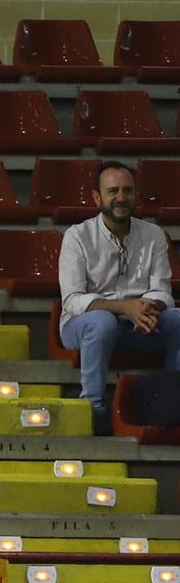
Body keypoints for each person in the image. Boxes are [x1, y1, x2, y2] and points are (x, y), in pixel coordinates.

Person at [58, 160, 180, 422]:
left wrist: (146, 307)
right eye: (113, 191)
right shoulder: (77, 236)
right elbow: (72, 301)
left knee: (179, 319)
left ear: (136, 194)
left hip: (137, 324)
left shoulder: (153, 234)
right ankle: (93, 411)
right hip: (83, 326)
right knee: (102, 324)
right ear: (96, 197)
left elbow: (163, 291)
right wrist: (126, 307)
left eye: (127, 190)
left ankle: (173, 400)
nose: (121, 198)